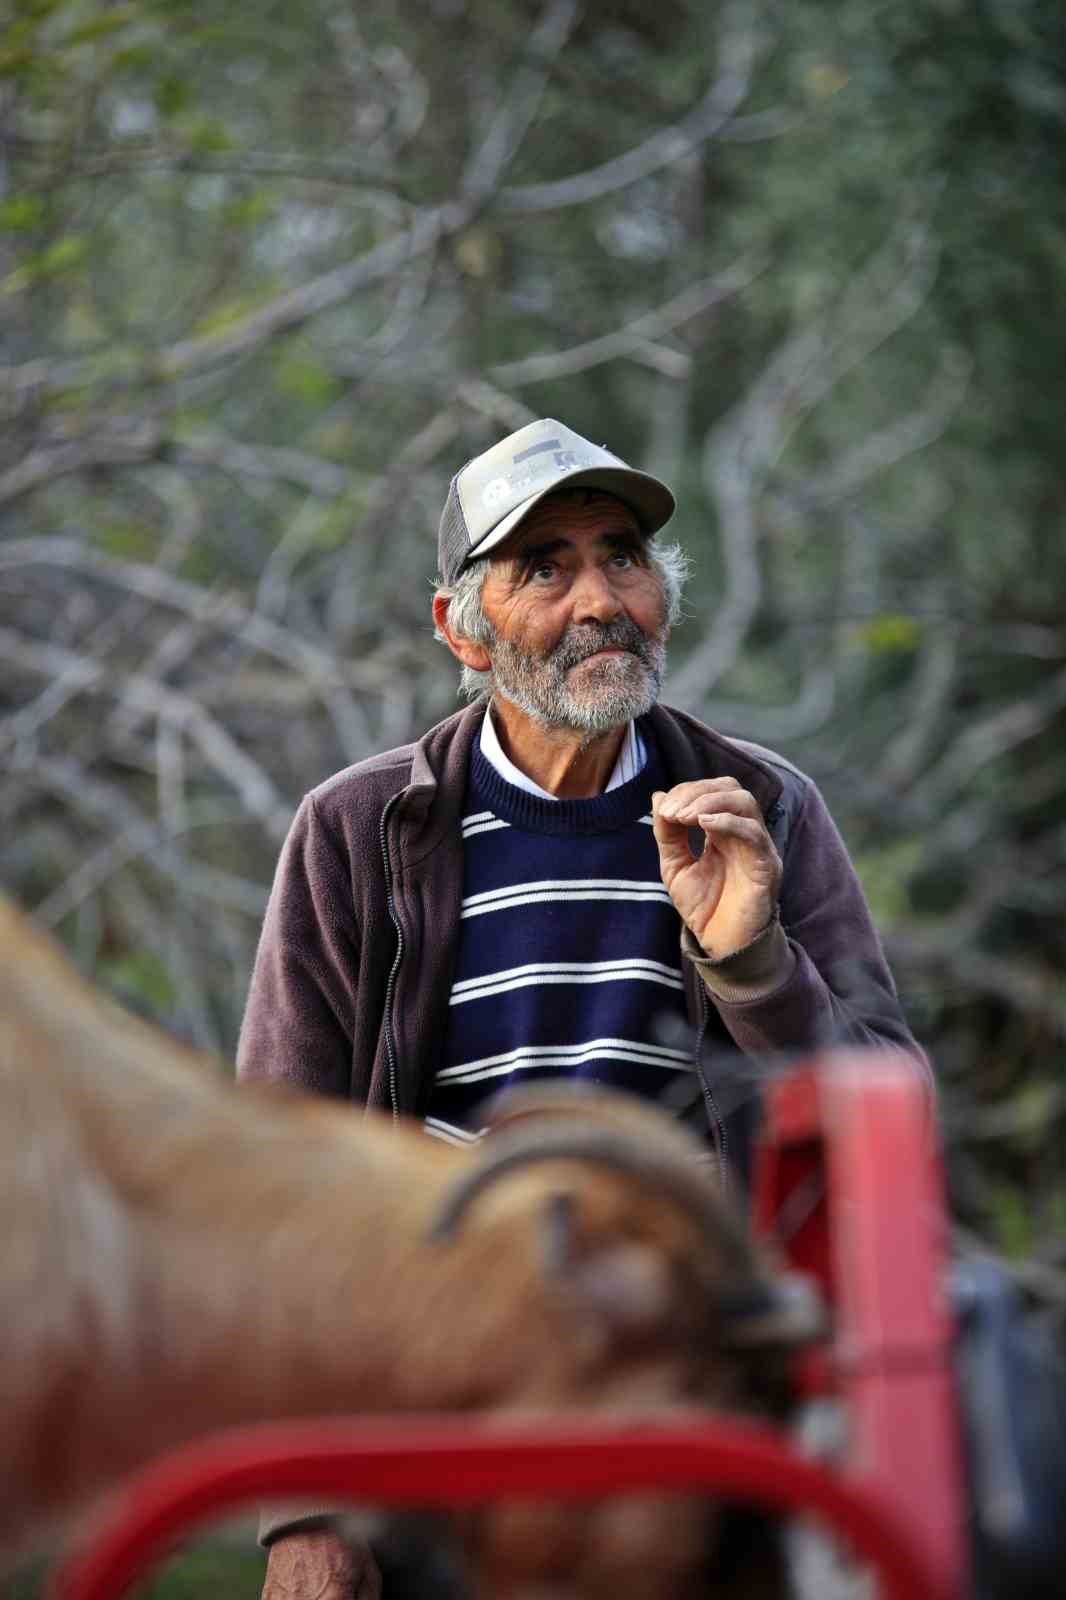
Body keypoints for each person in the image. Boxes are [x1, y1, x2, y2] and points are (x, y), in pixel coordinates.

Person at [237, 416, 929, 1600]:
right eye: (543, 568)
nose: (600, 598)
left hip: (698, 1420)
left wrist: (752, 960)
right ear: (462, 624)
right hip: (444, 1416)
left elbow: (886, 1128)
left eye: (621, 555)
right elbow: (272, 1179)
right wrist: (304, 1502)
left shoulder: (761, 808)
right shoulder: (359, 832)